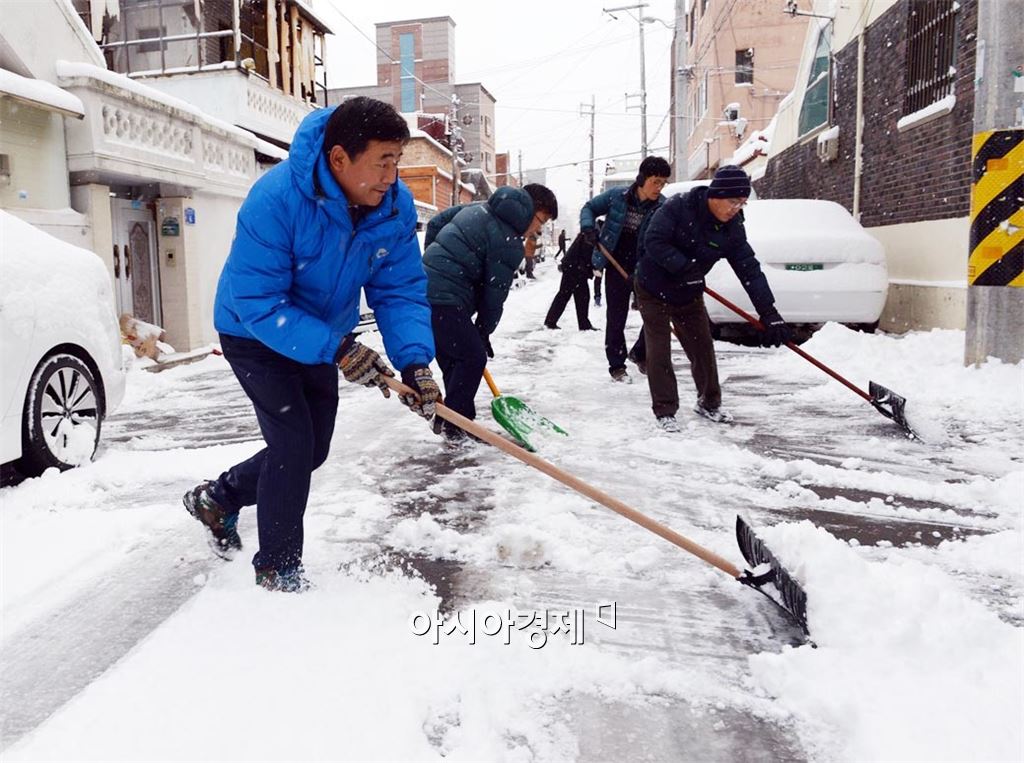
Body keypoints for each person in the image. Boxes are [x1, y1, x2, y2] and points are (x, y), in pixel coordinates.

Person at [182, 97, 440, 592]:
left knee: (312, 449)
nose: (391, 176)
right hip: (255, 331)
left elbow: (399, 289)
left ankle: (219, 498)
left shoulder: (393, 205)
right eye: (382, 162)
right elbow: (258, 300)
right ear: (339, 158)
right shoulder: (276, 200)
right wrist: (340, 350)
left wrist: (415, 363)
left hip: (323, 334)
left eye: (397, 161)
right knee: (293, 443)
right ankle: (278, 569)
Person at [636, 165, 792, 431]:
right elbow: (654, 241)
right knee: (659, 348)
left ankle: (709, 403)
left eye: (742, 203)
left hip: (689, 291)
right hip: (653, 287)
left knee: (702, 346)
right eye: (733, 201)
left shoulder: (732, 228)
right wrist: (684, 267)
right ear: (715, 195)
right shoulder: (679, 207)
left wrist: (769, 313)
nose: (736, 208)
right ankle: (665, 410)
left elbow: (749, 270)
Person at [423, 183, 558, 443]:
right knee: (473, 357)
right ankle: (455, 424)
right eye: (540, 221)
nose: (537, 230)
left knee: (455, 359)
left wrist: (432, 261)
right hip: (445, 298)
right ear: (530, 209)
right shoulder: (509, 241)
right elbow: (493, 296)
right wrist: (484, 331)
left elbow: (436, 223)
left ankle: (458, 420)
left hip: (426, 290)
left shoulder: (479, 208)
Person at [580, 156, 672, 382]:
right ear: (641, 179)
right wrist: (588, 228)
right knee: (616, 316)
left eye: (663, 183)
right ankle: (616, 365)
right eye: (655, 182)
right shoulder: (617, 196)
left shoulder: (663, 207)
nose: (659, 188)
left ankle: (640, 353)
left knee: (654, 314)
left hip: (646, 266)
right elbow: (589, 208)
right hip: (616, 262)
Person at [543, 231, 598, 331]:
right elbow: (588, 253)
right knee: (579, 296)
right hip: (576, 267)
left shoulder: (590, 232)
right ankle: (583, 325)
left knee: (568, 295)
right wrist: (593, 267)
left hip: (573, 266)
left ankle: (551, 321)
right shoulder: (592, 234)